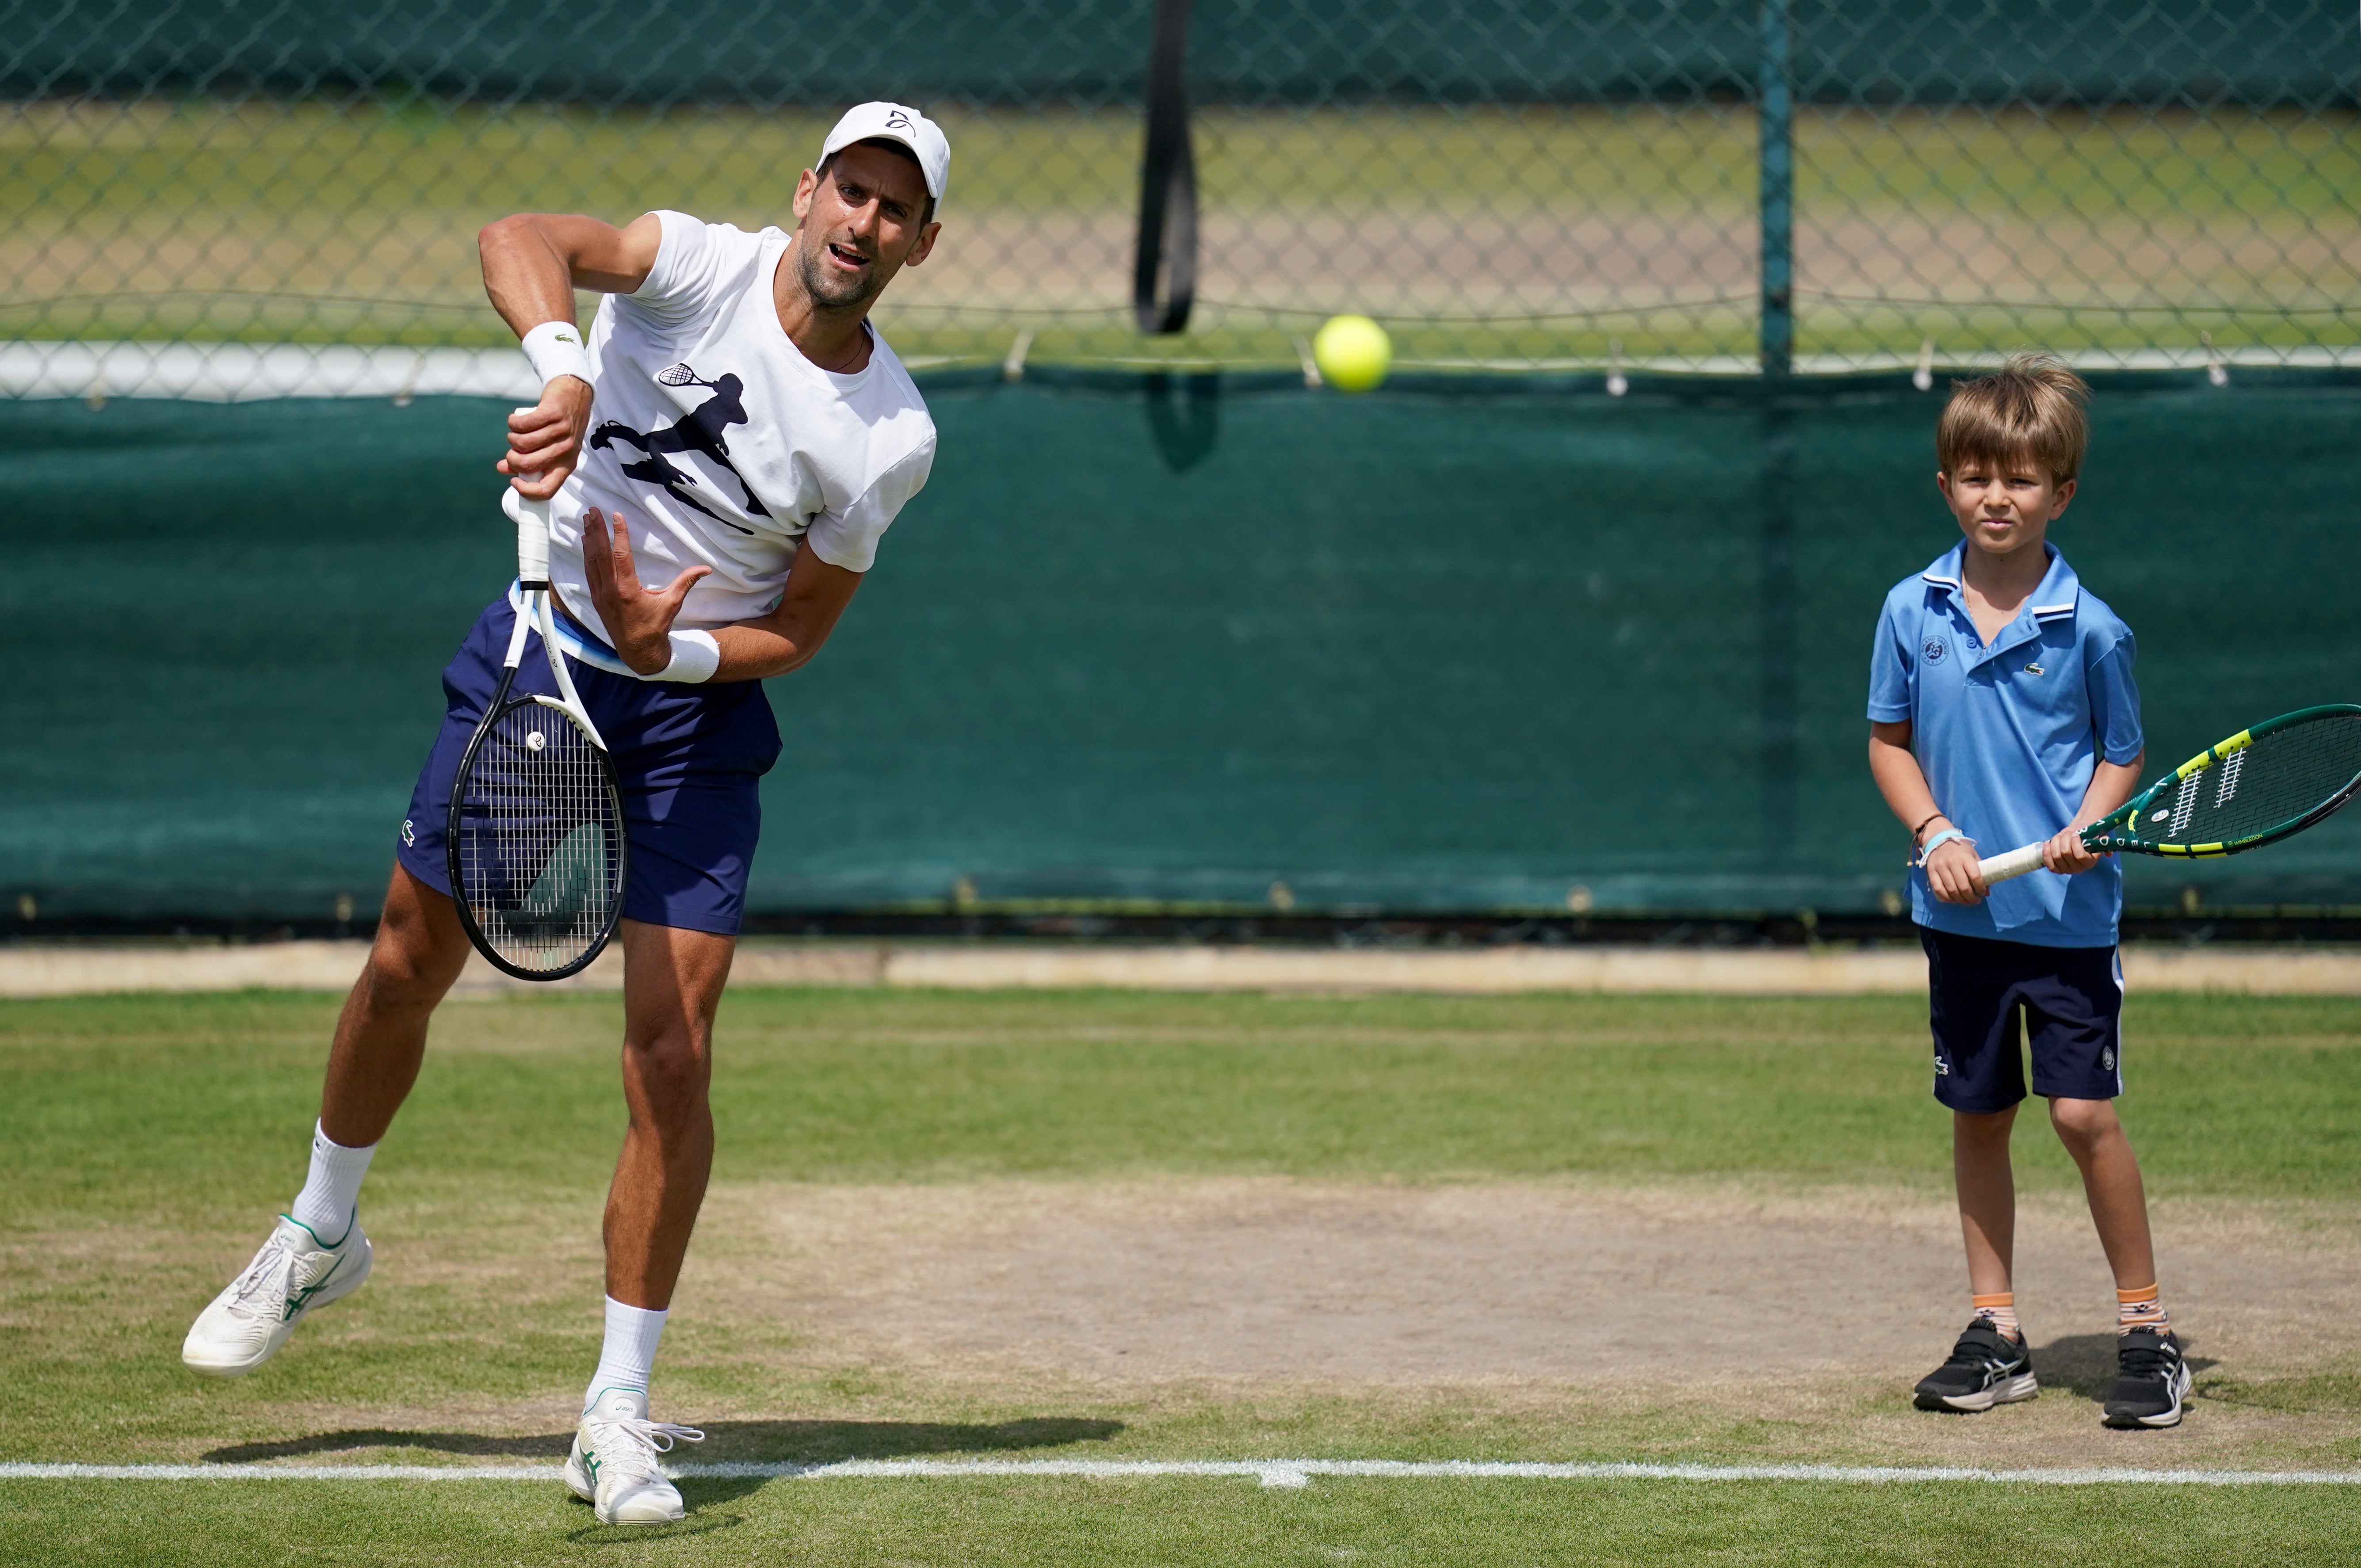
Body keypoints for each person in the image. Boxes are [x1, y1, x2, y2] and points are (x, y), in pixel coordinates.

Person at [180, 101, 951, 1523]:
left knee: (672, 1055)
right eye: (852, 190)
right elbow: (517, 237)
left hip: (691, 722)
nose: (864, 224)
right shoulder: (697, 265)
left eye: (896, 211)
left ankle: (614, 1413)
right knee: (408, 963)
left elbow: (801, 626)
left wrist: (685, 653)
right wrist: (563, 369)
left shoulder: (890, 433)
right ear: (808, 191)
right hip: (542, 655)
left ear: (922, 244)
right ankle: (318, 1227)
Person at [1866, 353, 2190, 1430]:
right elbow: (1889, 743)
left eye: (2021, 479)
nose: (1996, 496)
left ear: (2063, 492)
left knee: (2084, 1113)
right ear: (1946, 485)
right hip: (1959, 918)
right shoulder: (1912, 610)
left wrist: (2090, 828)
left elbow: (2123, 753)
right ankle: (1996, 1331)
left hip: (2066, 921)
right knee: (1980, 1114)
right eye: (1974, 475)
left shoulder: (2092, 627)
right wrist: (1935, 830)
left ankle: (2145, 1330)